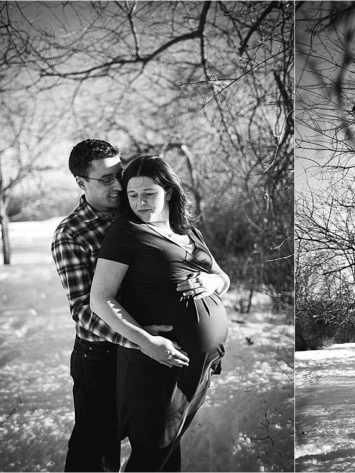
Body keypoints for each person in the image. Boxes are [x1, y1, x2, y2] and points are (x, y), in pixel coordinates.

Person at [52, 140, 194, 471]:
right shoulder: (71, 235)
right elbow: (83, 309)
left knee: (158, 436)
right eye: (105, 180)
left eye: (119, 174)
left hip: (151, 348)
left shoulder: (133, 206)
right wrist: (141, 338)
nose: (118, 186)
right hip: (101, 355)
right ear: (81, 182)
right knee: (97, 447)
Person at [89, 156, 229, 471]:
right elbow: (100, 298)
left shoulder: (187, 229)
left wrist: (212, 280)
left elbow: (224, 279)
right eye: (132, 195)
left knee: (170, 446)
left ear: (167, 190)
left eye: (148, 193)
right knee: (150, 454)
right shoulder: (126, 231)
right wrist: (147, 342)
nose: (140, 202)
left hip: (197, 366)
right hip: (158, 364)